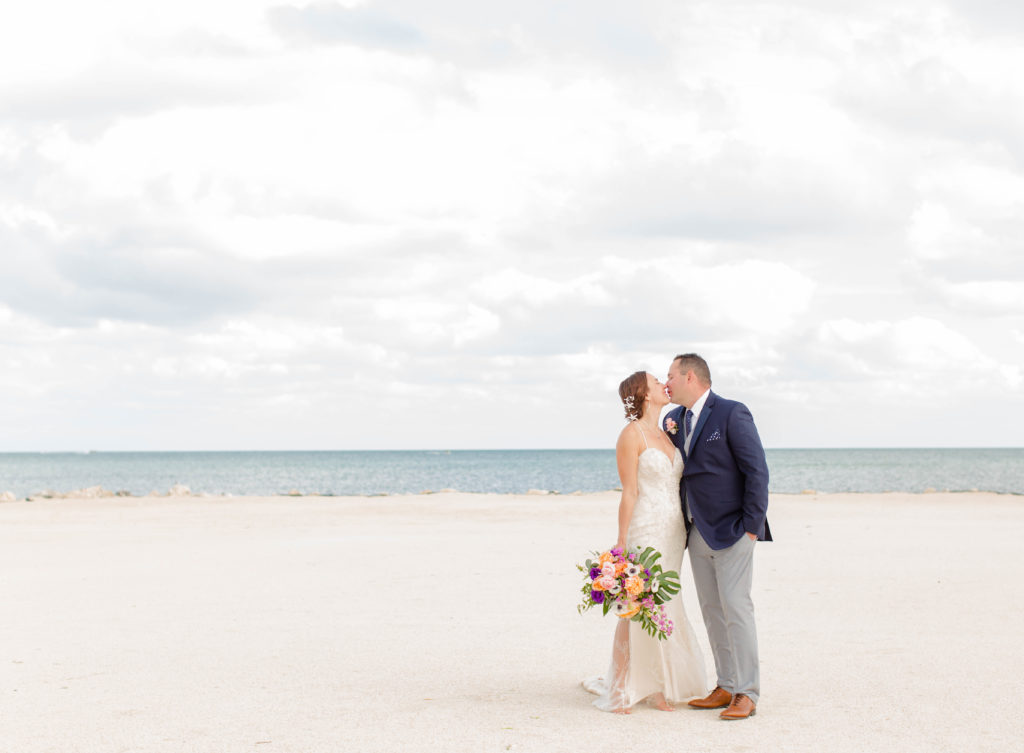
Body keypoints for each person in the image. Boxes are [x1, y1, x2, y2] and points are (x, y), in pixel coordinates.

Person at [582, 371, 706, 713]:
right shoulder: (631, 435)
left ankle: (657, 687)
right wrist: (620, 542)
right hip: (645, 527)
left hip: (673, 530)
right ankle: (623, 687)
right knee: (636, 605)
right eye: (655, 382)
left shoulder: (668, 432)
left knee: (666, 604)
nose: (663, 385)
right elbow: (630, 492)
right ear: (643, 394)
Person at [663, 353, 770, 721]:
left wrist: (752, 527)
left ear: (690, 377)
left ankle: (747, 692)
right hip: (696, 531)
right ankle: (725, 684)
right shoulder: (673, 420)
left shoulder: (732, 412)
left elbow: (756, 470)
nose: (667, 382)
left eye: (671, 376)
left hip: (733, 530)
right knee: (711, 611)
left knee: (736, 608)